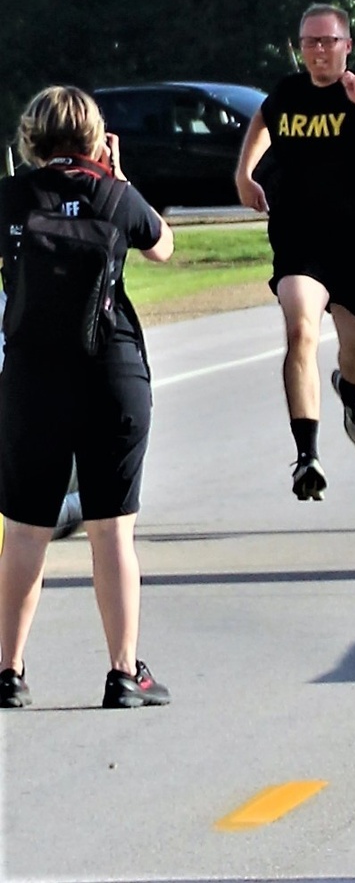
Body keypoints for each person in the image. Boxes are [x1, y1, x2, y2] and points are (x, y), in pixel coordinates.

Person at [0, 85, 174, 709]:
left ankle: (9, 671)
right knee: (111, 531)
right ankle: (125, 674)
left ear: (30, 138)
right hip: (111, 373)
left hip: (31, 381)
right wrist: (116, 177)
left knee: (24, 531)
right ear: (99, 138)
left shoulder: (12, 196)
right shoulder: (115, 194)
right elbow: (162, 246)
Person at [235, 3, 355, 502]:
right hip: (299, 239)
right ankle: (307, 457)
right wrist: (244, 173)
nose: (318, 51)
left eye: (327, 42)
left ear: (347, 45)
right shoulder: (287, 93)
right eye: (309, 42)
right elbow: (261, 117)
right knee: (301, 330)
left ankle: (352, 391)